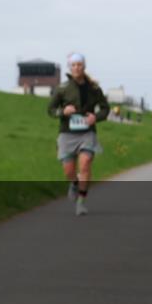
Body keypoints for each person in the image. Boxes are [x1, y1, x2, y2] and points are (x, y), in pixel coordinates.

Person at [47, 53, 110, 216]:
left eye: (79, 65)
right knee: (69, 171)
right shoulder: (62, 88)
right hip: (67, 133)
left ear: (84, 66)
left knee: (85, 163)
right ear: (69, 67)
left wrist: (95, 117)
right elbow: (50, 110)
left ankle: (81, 202)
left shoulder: (94, 89)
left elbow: (105, 109)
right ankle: (74, 183)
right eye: (73, 65)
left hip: (87, 133)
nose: (76, 68)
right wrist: (63, 111)